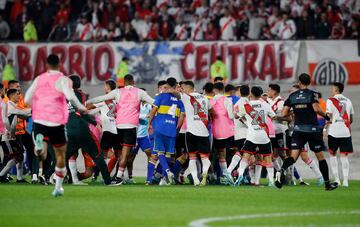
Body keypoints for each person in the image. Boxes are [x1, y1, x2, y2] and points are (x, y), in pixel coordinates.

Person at [24, 54, 88, 197]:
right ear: (59, 64)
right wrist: (81, 108)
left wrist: (40, 105)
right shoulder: (63, 80)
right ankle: (58, 187)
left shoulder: (39, 79)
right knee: (60, 154)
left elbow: (27, 98)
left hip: (40, 120)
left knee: (42, 153)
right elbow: (70, 96)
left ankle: (39, 146)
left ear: (46, 65)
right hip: (56, 121)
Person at [274, 73, 338, 191]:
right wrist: (327, 117)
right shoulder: (312, 94)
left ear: (299, 82)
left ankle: (281, 171)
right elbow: (316, 109)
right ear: (309, 83)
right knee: (320, 157)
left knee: (293, 156)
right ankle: (327, 184)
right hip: (312, 130)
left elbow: (283, 114)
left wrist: (294, 112)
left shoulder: (292, 96)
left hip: (298, 130)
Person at [86, 74, 154, 185]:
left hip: (119, 127)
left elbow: (101, 98)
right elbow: (154, 102)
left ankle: (114, 175)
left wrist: (88, 101)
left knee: (120, 154)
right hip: (130, 126)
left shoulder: (118, 92)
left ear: (124, 82)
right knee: (125, 155)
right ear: (133, 81)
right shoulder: (139, 92)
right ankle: (118, 177)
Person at [65, 74, 111, 186]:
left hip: (70, 129)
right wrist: (94, 123)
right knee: (97, 155)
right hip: (81, 129)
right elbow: (81, 112)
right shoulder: (81, 94)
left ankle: (47, 175)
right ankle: (108, 181)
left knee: (64, 156)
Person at [234, 86, 276, 187]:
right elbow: (273, 116)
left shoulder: (246, 106)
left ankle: (240, 175)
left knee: (245, 157)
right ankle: (271, 181)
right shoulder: (265, 104)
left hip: (252, 135)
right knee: (267, 158)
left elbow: (236, 116)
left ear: (251, 94)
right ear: (260, 94)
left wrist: (246, 119)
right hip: (264, 136)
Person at [148, 77, 185, 185]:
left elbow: (153, 110)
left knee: (160, 152)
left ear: (167, 85)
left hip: (159, 128)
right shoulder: (179, 101)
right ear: (176, 86)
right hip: (172, 129)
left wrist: (150, 123)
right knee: (169, 155)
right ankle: (164, 179)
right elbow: (181, 118)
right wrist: (177, 129)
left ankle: (168, 172)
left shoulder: (161, 97)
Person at [180, 80, 213, 186]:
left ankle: (195, 180)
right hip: (204, 132)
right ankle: (204, 175)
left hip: (191, 133)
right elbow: (212, 111)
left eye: (183, 88)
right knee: (205, 158)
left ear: (188, 88)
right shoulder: (205, 98)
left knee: (192, 157)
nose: (182, 90)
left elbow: (175, 93)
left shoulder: (186, 97)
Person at [0, 89, 31, 183]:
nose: (19, 96)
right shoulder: (9, 105)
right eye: (17, 94)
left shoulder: (13, 106)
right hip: (7, 136)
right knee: (17, 157)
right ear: (12, 95)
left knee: (19, 156)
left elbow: (25, 116)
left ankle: (19, 178)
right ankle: (1, 175)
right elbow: (24, 113)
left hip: (11, 136)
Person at [326, 82, 354, 187]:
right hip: (345, 131)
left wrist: (324, 129)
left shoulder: (330, 100)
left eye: (332, 88)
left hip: (334, 131)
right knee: (344, 156)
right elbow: (351, 119)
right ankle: (346, 181)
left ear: (336, 89)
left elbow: (328, 117)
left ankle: (337, 180)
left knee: (332, 155)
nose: (331, 90)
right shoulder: (349, 101)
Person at [210, 82, 234, 184]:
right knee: (238, 151)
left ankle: (224, 175)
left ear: (214, 90)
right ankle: (228, 173)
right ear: (223, 90)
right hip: (229, 132)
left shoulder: (210, 101)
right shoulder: (227, 100)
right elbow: (232, 116)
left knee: (220, 154)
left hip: (216, 132)